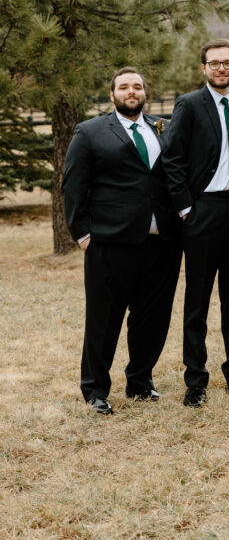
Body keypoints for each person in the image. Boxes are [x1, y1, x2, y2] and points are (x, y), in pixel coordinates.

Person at [63, 67, 181, 414]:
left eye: (138, 86)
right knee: (104, 319)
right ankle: (95, 389)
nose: (132, 91)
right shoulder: (90, 131)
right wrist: (83, 234)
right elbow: (73, 186)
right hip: (110, 242)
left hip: (161, 242)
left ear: (146, 93)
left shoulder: (164, 128)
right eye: (125, 87)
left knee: (152, 318)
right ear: (112, 93)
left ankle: (140, 382)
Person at [162, 39, 229, 408]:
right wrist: (186, 208)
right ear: (203, 68)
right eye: (215, 63)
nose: (221, 68)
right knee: (198, 300)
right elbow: (172, 158)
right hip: (203, 210)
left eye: (227, 62)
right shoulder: (189, 104)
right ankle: (195, 381)